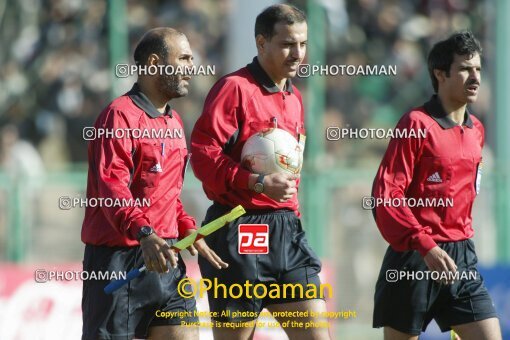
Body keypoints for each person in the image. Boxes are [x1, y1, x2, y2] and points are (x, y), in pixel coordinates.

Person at [190, 4, 330, 340]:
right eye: (286, 44)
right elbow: (203, 155)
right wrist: (256, 182)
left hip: (286, 230)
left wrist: (291, 214)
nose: (297, 53)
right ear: (261, 43)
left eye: (302, 44)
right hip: (240, 229)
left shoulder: (294, 97)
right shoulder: (234, 89)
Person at [81, 27, 227, 340]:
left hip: (166, 258)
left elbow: (167, 195)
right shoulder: (118, 117)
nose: (192, 67)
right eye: (184, 59)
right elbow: (112, 189)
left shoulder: (174, 122)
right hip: (120, 262)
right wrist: (145, 233)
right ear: (153, 62)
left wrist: (188, 229)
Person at [371, 31, 502, 340]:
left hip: (462, 257)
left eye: (479, 69)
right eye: (465, 69)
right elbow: (387, 194)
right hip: (414, 258)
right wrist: (424, 244)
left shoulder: (477, 130)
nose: (475, 77)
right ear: (440, 74)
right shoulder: (415, 124)